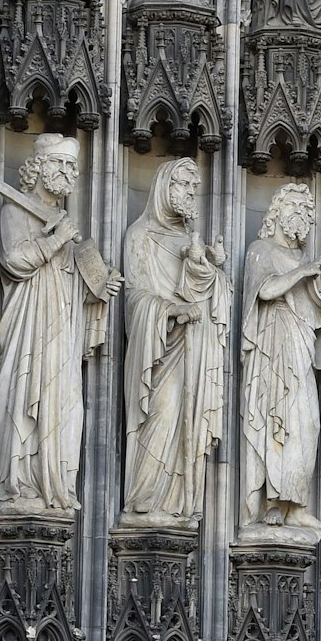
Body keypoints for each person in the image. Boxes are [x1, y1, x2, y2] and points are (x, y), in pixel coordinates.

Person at [0, 134, 120, 514]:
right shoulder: (15, 211)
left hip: (62, 334)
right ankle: (22, 485)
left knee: (66, 407)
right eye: (58, 165)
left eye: (70, 167)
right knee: (25, 401)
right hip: (28, 332)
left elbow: (68, 286)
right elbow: (14, 261)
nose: (66, 173)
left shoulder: (63, 222)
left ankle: (57, 484)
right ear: (38, 168)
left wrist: (96, 288)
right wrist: (55, 242)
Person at [241, 184, 321, 535]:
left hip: (300, 350)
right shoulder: (262, 251)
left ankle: (297, 506)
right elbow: (264, 290)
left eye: (308, 213)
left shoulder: (308, 264)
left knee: (307, 424)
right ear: (277, 214)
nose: (303, 219)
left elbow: (317, 316)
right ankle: (273, 504)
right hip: (272, 353)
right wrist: (303, 274)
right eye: (295, 210)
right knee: (280, 423)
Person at [120, 159, 230, 526]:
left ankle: (180, 502)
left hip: (193, 352)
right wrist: (171, 310)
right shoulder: (140, 236)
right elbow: (134, 299)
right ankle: (147, 500)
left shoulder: (190, 241)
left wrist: (210, 270)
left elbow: (212, 301)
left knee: (187, 423)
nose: (188, 194)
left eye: (192, 188)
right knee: (161, 413)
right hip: (159, 351)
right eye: (182, 185)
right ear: (163, 187)